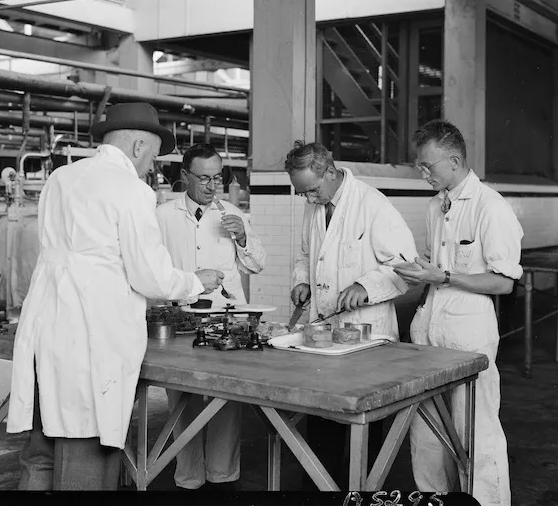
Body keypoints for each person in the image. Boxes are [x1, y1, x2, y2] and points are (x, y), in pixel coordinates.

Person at [6, 102, 225, 491]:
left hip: (46, 327)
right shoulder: (131, 190)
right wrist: (196, 281)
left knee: (41, 452)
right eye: (153, 157)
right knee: (88, 450)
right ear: (139, 145)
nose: (151, 167)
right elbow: (150, 276)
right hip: (92, 337)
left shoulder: (60, 178)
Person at [394, 119, 521, 506]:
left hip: (468, 333)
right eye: (419, 166)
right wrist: (422, 270)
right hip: (430, 327)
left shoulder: (490, 206)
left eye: (427, 166)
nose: (423, 173)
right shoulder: (436, 205)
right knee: (427, 429)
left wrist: (443, 275)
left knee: (475, 432)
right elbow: (439, 266)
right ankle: (435, 501)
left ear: (453, 160)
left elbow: (504, 282)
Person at [286, 141, 418, 488]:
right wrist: (303, 282)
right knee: (321, 419)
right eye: (303, 194)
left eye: (312, 191)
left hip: (367, 335)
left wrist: (366, 285)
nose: (309, 199)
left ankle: (362, 491)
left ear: (329, 172)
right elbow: (305, 254)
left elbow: (407, 266)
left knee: (364, 426)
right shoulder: (315, 203)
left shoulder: (372, 205)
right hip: (324, 332)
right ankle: (320, 489)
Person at [155, 143, 266, 490]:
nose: (212, 186)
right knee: (182, 397)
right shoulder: (162, 215)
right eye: (204, 178)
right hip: (183, 317)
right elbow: (153, 269)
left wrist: (244, 236)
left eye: (217, 177)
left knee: (226, 398)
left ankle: (222, 474)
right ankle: (188, 476)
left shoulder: (232, 212)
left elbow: (257, 264)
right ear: (185, 176)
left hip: (227, 317)